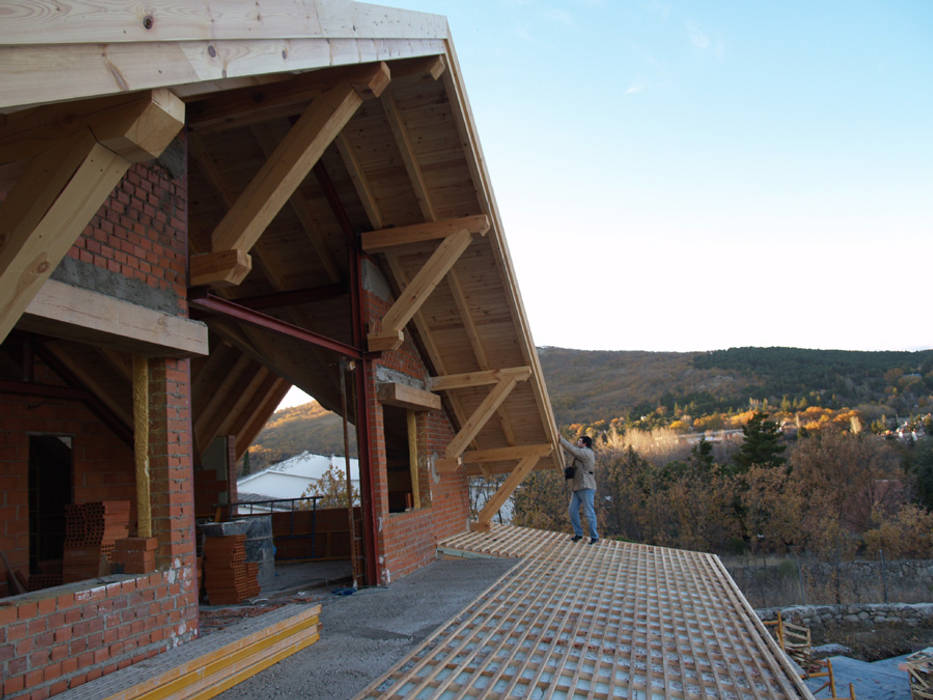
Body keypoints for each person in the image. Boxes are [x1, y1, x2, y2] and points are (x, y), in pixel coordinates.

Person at [560, 434, 598, 544]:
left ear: (585, 443)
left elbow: (573, 450)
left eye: (579, 441)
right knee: (572, 511)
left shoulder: (587, 453)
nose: (578, 443)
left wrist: (561, 440)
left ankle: (594, 537)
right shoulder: (583, 453)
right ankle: (578, 534)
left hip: (586, 487)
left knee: (589, 513)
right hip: (577, 487)